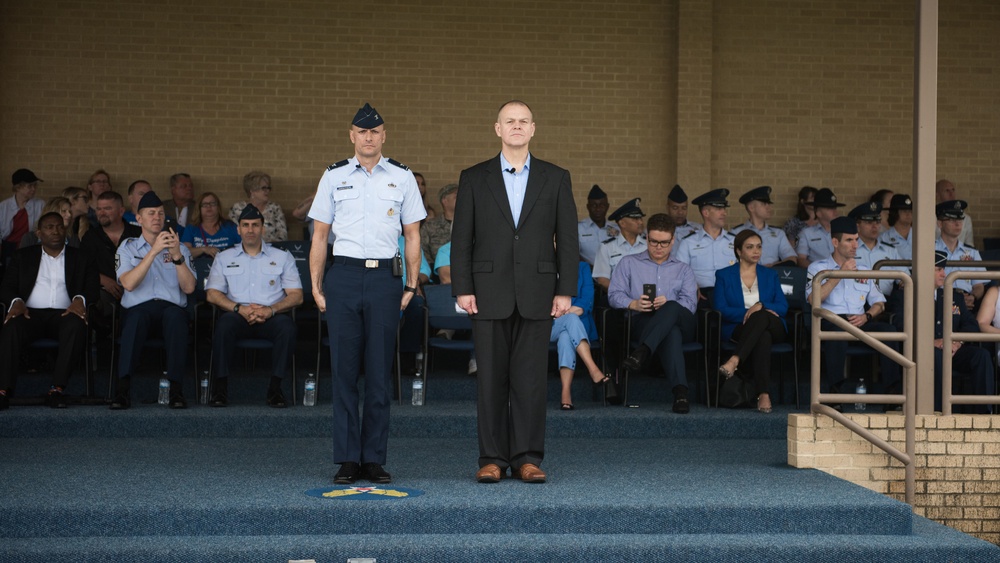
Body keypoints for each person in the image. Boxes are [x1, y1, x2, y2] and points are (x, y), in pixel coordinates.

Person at [452, 100, 578, 485]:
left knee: (530, 381)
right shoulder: (474, 177)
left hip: (539, 291)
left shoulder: (556, 177)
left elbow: (568, 239)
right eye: (511, 122)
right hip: (487, 291)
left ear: (533, 129)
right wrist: (462, 288)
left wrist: (565, 290)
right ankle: (491, 458)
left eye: (524, 121)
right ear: (498, 129)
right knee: (490, 379)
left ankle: (527, 457)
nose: (517, 127)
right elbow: (462, 239)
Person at [308, 103, 425, 486]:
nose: (368, 137)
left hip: (384, 281)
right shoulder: (333, 176)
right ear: (352, 135)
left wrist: (411, 284)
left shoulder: (402, 177)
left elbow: (412, 235)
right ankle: (347, 459)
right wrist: (316, 284)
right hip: (342, 276)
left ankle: (373, 458)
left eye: (375, 132)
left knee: (378, 373)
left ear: (384, 135)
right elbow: (320, 235)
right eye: (362, 131)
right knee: (343, 372)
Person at [205, 205, 302, 407]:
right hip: (237, 314)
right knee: (223, 326)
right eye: (246, 225)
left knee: (287, 328)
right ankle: (220, 390)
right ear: (238, 229)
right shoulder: (224, 258)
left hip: (271, 316)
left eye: (255, 225)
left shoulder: (282, 257)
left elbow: (297, 296)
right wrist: (240, 308)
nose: (250, 230)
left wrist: (270, 310)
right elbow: (212, 294)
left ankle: (275, 390)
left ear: (262, 229)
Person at [0, 212, 99, 410]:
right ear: (39, 233)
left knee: (76, 324)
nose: (56, 231)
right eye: (49, 227)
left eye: (60, 227)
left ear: (65, 230)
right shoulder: (23, 256)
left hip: (64, 314)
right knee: (11, 327)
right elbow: (6, 286)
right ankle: (3, 390)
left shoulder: (80, 257)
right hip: (30, 314)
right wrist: (16, 301)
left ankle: (57, 389)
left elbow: (92, 287)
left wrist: (80, 300)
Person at [110, 191, 196, 410]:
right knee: (136, 319)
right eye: (151, 213)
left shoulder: (181, 248)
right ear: (138, 219)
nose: (157, 217)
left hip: (171, 308)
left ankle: (177, 391)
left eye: (160, 213)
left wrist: (177, 256)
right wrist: (154, 251)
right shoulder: (127, 247)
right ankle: (122, 391)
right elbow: (128, 284)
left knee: (177, 319)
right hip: (139, 309)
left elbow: (189, 287)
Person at [612, 213, 698, 414]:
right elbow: (614, 295)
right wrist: (633, 303)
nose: (658, 247)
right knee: (671, 333)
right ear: (646, 238)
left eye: (664, 243)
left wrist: (668, 304)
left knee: (673, 307)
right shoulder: (629, 263)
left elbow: (691, 304)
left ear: (673, 240)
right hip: (642, 321)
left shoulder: (683, 269)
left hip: (682, 320)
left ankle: (642, 352)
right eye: (653, 242)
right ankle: (681, 393)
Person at [805, 216, 899, 398]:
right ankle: (836, 393)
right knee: (836, 334)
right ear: (835, 242)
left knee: (890, 331)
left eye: (856, 239)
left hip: (860, 320)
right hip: (832, 320)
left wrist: (868, 316)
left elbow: (879, 302)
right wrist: (840, 274)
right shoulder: (817, 268)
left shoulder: (864, 269)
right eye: (849, 240)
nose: (855, 245)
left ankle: (892, 394)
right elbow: (813, 300)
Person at [714, 230, 788, 414]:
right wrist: (751, 313)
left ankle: (734, 360)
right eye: (750, 247)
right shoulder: (724, 275)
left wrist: (761, 305)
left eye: (759, 246)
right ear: (739, 251)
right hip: (739, 327)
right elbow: (721, 308)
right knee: (762, 335)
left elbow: (783, 307)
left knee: (761, 317)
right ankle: (763, 393)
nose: (756, 251)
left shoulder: (770, 275)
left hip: (775, 325)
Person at [910, 251, 993, 413]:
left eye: (943, 269)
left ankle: (984, 412)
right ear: (925, 270)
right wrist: (930, 342)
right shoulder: (907, 294)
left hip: (953, 350)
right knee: (936, 354)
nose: (944, 274)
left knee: (981, 356)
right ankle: (939, 410)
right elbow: (900, 324)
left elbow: (971, 324)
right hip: (923, 353)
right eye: (938, 270)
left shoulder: (954, 296)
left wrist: (957, 342)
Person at [552, 260, 613, 410]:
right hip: (549, 325)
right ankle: (593, 368)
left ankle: (566, 393)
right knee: (571, 320)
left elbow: (586, 301)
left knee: (566, 336)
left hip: (577, 322)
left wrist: (564, 313)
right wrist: (563, 314)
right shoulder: (542, 265)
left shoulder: (582, 267)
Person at [80, 191, 142, 330]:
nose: (102, 212)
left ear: (121, 211)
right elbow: (83, 266)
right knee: (97, 300)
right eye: (99, 209)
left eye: (107, 208)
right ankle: (106, 342)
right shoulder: (90, 236)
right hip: (104, 292)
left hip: (137, 289)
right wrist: (103, 280)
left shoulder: (138, 234)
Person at [673, 188, 736, 305]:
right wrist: (692, 286)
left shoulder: (735, 240)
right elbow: (679, 272)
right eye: (719, 209)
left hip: (730, 294)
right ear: (705, 213)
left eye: (724, 208)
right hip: (700, 295)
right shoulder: (688, 242)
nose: (724, 213)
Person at [936, 200, 987, 309]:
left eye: (960, 219)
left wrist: (973, 297)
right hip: (939, 302)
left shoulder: (972, 253)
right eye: (951, 219)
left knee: (972, 326)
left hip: (966, 304)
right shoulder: (929, 250)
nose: (957, 223)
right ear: (940, 223)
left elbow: (979, 285)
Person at [731, 185, 797, 268]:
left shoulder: (778, 233)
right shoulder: (736, 233)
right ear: (751, 207)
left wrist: (771, 267)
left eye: (769, 204)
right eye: (764, 204)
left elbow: (791, 258)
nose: (769, 207)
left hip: (771, 276)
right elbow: (730, 260)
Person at [850, 201, 903, 298]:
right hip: (856, 301)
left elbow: (905, 278)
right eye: (869, 222)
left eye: (878, 222)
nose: (874, 226)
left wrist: (903, 283)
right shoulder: (849, 249)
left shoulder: (890, 251)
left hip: (887, 302)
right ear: (857, 226)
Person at [592, 197, 646, 291]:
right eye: (635, 219)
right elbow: (603, 280)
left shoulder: (649, 246)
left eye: (640, 218)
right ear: (622, 223)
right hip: (617, 299)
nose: (640, 222)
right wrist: (622, 293)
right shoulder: (607, 247)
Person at [1, 169, 45, 267]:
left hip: (31, 248)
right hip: (9, 250)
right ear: (18, 188)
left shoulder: (41, 205)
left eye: (35, 185)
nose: (33, 189)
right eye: (30, 186)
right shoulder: (3, 207)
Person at [229, 171, 288, 243]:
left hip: (271, 250)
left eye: (268, 188)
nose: (267, 191)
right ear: (252, 191)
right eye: (264, 188)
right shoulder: (237, 209)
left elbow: (283, 236)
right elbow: (233, 234)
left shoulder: (275, 208)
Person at [182, 192, 240, 259]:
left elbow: (244, 248)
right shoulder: (191, 228)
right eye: (205, 204)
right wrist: (204, 249)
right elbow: (184, 253)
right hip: (199, 268)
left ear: (218, 207)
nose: (209, 207)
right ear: (199, 208)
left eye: (213, 203)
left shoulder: (231, 227)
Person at [795, 187, 844, 268]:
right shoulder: (806, 234)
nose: (835, 211)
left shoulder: (844, 232)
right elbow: (801, 260)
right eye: (830, 208)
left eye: (835, 208)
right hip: (818, 277)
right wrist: (819, 269)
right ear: (818, 212)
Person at [577, 184, 618, 266]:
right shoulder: (579, 228)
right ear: (588, 207)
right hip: (588, 275)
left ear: (607, 207)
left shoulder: (616, 229)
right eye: (594, 205)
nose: (598, 209)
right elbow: (573, 254)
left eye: (602, 205)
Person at [420, 183, 457, 268]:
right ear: (445, 201)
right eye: (456, 197)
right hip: (437, 274)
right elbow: (422, 251)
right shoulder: (430, 226)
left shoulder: (470, 224)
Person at [935, 179, 974, 247]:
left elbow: (970, 244)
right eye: (947, 190)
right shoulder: (932, 217)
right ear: (937, 195)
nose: (951, 193)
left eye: (953, 190)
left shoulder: (966, 218)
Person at [879, 194, 913, 261]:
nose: (908, 214)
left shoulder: (921, 237)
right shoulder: (883, 238)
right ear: (895, 213)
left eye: (910, 211)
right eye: (904, 211)